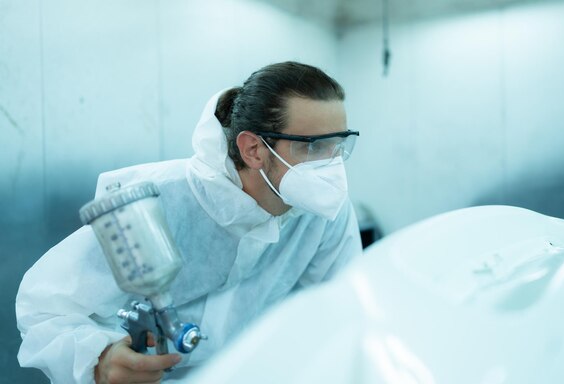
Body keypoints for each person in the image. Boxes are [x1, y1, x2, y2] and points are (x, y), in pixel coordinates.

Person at [16, 61, 362, 384]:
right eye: (315, 147)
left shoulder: (324, 212)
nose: (331, 167)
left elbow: (341, 309)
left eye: (339, 145)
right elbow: (44, 310)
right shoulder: (158, 200)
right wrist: (100, 359)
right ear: (254, 149)